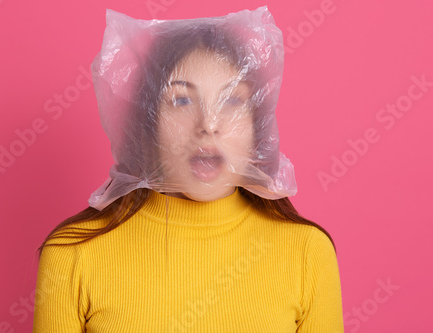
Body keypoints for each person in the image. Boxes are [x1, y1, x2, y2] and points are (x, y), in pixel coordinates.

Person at [33, 6, 344, 332]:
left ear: (258, 128)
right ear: (149, 122)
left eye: (232, 101)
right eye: (181, 100)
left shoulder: (307, 253)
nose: (208, 125)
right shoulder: (72, 254)